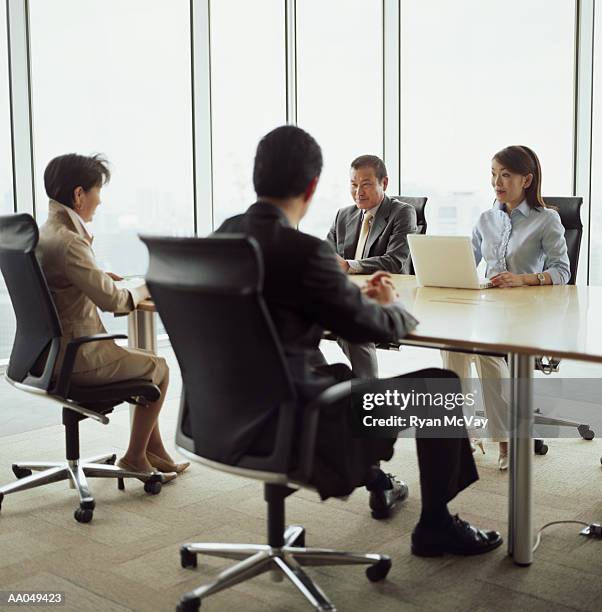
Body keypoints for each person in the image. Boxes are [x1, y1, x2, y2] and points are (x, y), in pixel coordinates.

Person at [216, 125, 502, 555]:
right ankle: (435, 524)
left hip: (225, 415)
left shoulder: (220, 241)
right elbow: (382, 329)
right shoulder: (302, 252)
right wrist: (390, 304)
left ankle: (380, 480)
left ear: (257, 176)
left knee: (346, 377)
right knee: (438, 388)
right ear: (312, 186)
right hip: (304, 419)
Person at [37, 153, 189, 478]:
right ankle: (135, 457)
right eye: (97, 191)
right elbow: (116, 303)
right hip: (77, 358)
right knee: (158, 368)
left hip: (45, 356)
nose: (100, 201)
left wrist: (100, 276)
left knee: (147, 364)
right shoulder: (69, 242)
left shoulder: (45, 232)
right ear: (79, 195)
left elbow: (68, 281)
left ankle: (155, 452)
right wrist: (145, 287)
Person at [442, 145, 570, 470]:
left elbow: (562, 270)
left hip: (526, 312)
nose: (497, 182)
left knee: (486, 353)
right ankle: (465, 433)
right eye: (494, 174)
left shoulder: (547, 220)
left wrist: (523, 280)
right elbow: (467, 263)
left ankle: (504, 440)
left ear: (526, 180)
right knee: (452, 347)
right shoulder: (486, 219)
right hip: (487, 307)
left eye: (506, 175)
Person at [326, 155, 417, 378]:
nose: (358, 192)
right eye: (354, 184)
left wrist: (349, 265)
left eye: (366, 184)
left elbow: (395, 261)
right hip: (347, 293)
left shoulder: (402, 212)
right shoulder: (343, 215)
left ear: (384, 183)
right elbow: (326, 256)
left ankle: (368, 390)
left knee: (352, 327)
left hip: (385, 293)